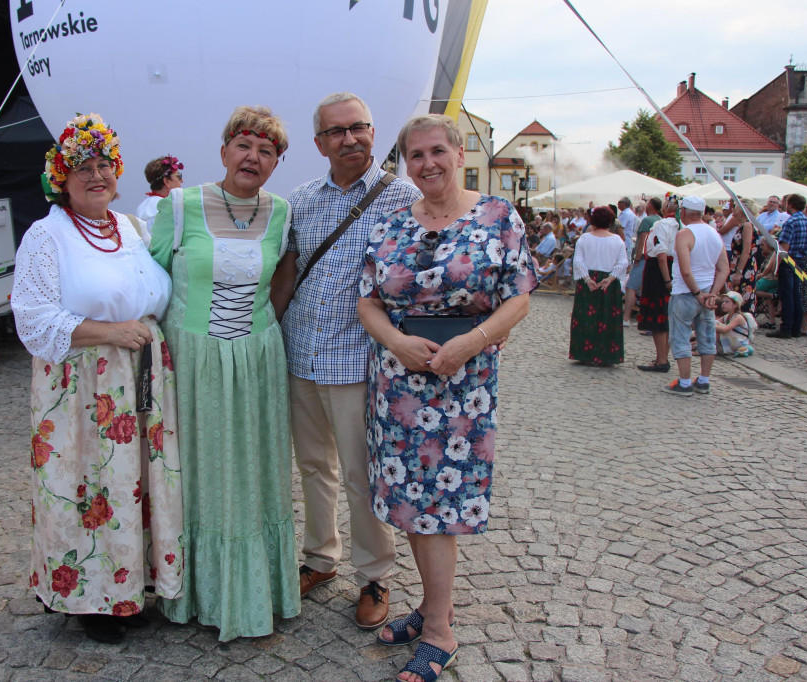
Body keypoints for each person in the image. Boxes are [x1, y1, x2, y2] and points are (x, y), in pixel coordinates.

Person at [357, 114, 537, 682]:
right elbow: (368, 301)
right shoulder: (389, 224)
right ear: (405, 164)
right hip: (400, 383)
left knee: (439, 506)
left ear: (460, 154)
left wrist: (470, 342)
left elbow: (520, 295)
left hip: (463, 384)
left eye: (438, 150)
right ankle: (435, 608)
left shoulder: (496, 215)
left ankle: (440, 632)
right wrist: (397, 343)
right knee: (411, 502)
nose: (428, 163)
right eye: (416, 155)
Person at [12, 113, 183, 644]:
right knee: (89, 486)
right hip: (82, 386)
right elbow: (32, 317)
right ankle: (91, 598)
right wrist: (111, 331)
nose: (96, 176)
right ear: (60, 178)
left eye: (104, 164)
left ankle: (132, 586)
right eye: (81, 168)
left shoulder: (131, 227)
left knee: (132, 484)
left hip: (141, 376)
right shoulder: (47, 235)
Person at [150, 105, 300, 640]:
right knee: (197, 470)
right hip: (194, 359)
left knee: (255, 470)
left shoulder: (281, 212)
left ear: (276, 162)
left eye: (266, 151)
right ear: (222, 151)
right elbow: (150, 282)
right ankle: (193, 590)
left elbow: (284, 278)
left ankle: (258, 588)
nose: (253, 158)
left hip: (256, 357)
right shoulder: (180, 205)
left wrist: (266, 327)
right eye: (244, 146)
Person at [273, 92, 419, 630]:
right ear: (319, 143)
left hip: (358, 362)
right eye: (337, 131)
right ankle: (320, 558)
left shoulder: (401, 198)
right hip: (301, 356)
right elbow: (287, 274)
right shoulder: (302, 199)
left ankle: (375, 575)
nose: (350, 138)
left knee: (361, 474)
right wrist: (266, 332)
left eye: (359, 127)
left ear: (374, 133)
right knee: (313, 467)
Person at [662, 195, 729, 396]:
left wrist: (698, 293)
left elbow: (686, 270)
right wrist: (712, 294)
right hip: (708, 293)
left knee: (680, 337)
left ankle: (683, 383)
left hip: (685, 292)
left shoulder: (685, 234)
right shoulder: (714, 233)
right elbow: (724, 268)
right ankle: (704, 380)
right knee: (707, 336)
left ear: (683, 212)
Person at [569, 206, 629, 366]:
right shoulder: (617, 240)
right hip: (608, 280)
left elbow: (578, 261)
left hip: (589, 279)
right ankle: (606, 353)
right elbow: (623, 262)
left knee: (586, 317)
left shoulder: (584, 238)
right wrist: (610, 278)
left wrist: (587, 279)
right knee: (607, 316)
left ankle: (584, 352)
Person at [637, 198, 680, 372]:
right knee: (666, 315)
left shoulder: (663, 225)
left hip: (659, 271)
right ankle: (662, 357)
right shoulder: (679, 226)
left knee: (658, 316)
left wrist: (667, 280)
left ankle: (661, 359)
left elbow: (661, 255)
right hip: (671, 268)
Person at [767, 194, 807, 338]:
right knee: (796, 295)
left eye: (786, 203)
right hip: (801, 260)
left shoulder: (791, 222)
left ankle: (786, 328)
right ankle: (795, 328)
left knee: (787, 295)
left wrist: (778, 265)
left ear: (791, 204)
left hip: (789, 260)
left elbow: (784, 247)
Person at [625, 198, 661, 327]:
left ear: (650, 206)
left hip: (644, 258)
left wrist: (637, 257)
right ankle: (643, 317)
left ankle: (626, 317)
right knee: (645, 289)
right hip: (655, 258)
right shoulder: (660, 220)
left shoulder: (647, 220)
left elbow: (643, 239)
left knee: (631, 287)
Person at [725, 198, 760, 312]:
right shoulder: (742, 225)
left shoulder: (747, 225)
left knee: (740, 298)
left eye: (736, 206)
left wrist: (739, 272)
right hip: (739, 264)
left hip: (744, 266)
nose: (733, 208)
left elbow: (746, 250)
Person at [135, 155, 184, 233]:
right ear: (167, 181)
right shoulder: (167, 208)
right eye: (179, 176)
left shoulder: (143, 207)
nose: (182, 180)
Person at [715, 291, 754, 357]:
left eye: (727, 302)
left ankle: (699, 348)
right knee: (712, 327)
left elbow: (725, 329)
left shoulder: (738, 317)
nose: (723, 304)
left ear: (735, 305)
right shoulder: (726, 316)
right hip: (731, 340)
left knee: (715, 333)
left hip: (739, 342)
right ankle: (694, 343)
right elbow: (715, 322)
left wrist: (710, 325)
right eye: (723, 302)